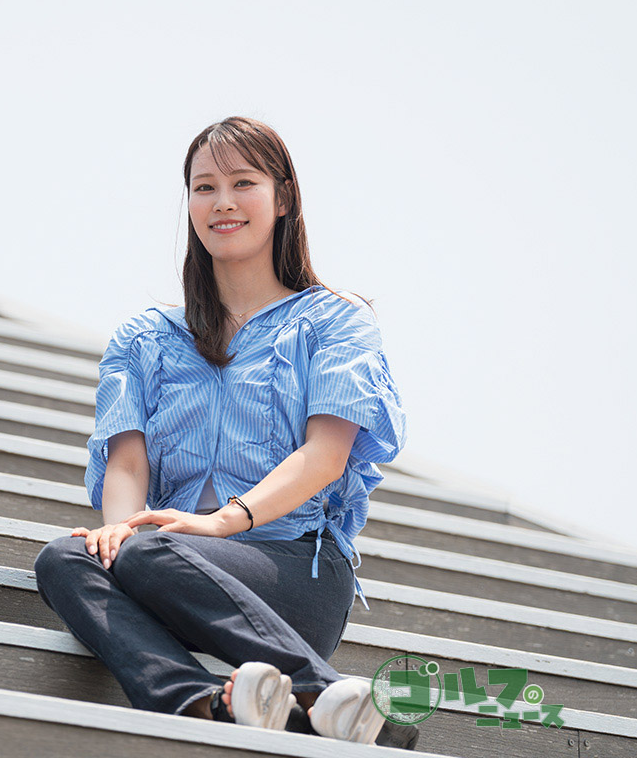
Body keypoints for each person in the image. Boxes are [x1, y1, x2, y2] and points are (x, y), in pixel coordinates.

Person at [33, 116, 416, 748]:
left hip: (293, 570)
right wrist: (116, 532)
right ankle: (205, 706)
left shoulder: (334, 321)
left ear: (282, 198)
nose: (223, 202)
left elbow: (325, 456)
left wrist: (220, 522)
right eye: (204, 187)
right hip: (172, 571)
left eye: (243, 183)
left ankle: (320, 688)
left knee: (151, 551)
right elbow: (126, 463)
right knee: (65, 558)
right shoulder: (146, 337)